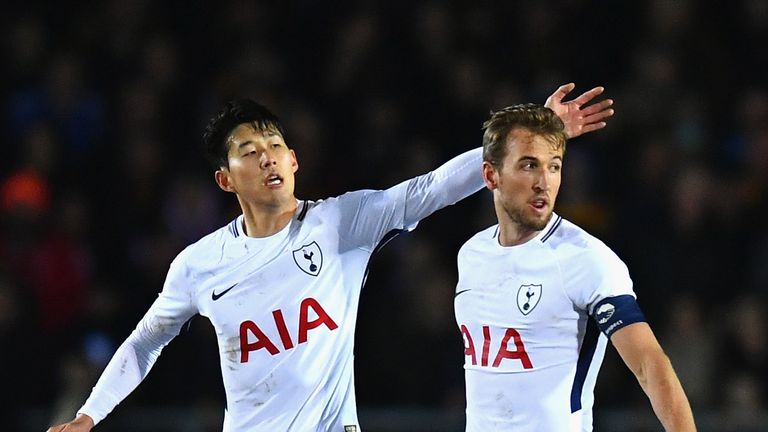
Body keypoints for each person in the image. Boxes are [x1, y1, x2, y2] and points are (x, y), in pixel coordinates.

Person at [47, 84, 613, 432]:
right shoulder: (200, 264)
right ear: (225, 179)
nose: (267, 157)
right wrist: (90, 415)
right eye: (250, 151)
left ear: (294, 160)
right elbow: (146, 340)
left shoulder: (341, 224)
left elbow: (432, 189)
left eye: (275, 146)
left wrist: (527, 135)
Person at [453, 103, 696, 431]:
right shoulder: (471, 255)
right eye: (529, 165)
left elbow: (650, 367)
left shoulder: (585, 259)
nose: (544, 182)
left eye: (554, 167)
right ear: (490, 175)